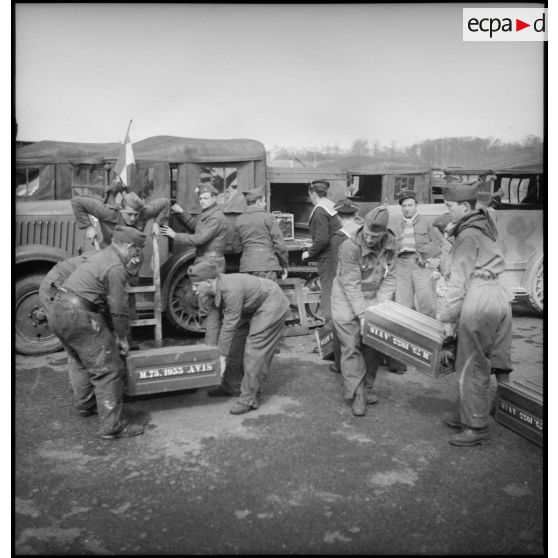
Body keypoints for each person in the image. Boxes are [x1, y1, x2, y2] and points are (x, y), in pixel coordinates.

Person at [48, 226, 147, 439]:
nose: (137, 255)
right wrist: (121, 338)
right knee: (109, 368)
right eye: (137, 250)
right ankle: (112, 426)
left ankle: (86, 405)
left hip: (58, 310)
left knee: (80, 360)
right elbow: (119, 309)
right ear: (129, 247)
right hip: (78, 314)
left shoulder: (102, 255)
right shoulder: (115, 267)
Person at [437, 182, 512, 447]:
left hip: (479, 296)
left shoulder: (467, 235)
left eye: (450, 207)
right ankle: (470, 412)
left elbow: (458, 281)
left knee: (471, 362)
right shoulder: (485, 223)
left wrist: (446, 318)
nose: (448, 212)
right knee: (494, 358)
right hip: (499, 292)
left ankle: (476, 425)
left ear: (465, 206)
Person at [187, 261, 290, 414]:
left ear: (208, 282)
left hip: (271, 303)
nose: (194, 290)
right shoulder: (208, 292)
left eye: (196, 285)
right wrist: (212, 355)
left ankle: (248, 398)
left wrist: (221, 357)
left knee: (255, 349)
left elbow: (229, 325)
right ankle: (231, 385)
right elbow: (213, 324)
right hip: (250, 306)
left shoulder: (231, 289)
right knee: (235, 344)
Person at [331, 206, 397, 417]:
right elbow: (350, 284)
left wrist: (378, 309)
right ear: (363, 227)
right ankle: (357, 394)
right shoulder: (348, 247)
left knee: (372, 344)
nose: (369, 239)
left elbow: (389, 279)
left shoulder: (391, 246)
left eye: (375, 236)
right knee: (350, 346)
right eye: (367, 234)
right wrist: (362, 316)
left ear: (384, 233)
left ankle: (366, 388)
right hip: (345, 298)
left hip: (372, 297)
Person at [72, 181, 169, 247]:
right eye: (129, 214)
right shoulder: (108, 213)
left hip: (132, 255)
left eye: (136, 215)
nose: (132, 218)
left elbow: (165, 203)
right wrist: (88, 227)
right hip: (109, 251)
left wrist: (157, 223)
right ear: (121, 209)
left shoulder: (144, 212)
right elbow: (76, 201)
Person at [392, 189, 441, 319]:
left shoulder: (426, 222)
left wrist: (426, 255)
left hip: (421, 265)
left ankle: (430, 333)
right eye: (404, 206)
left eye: (410, 205)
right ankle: (407, 333)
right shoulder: (397, 223)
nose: (407, 209)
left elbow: (438, 244)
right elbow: (390, 246)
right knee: (403, 303)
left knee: (427, 301)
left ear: (416, 205)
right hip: (401, 264)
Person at [327, 199, 361, 374]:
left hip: (345, 286)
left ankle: (340, 364)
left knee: (341, 324)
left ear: (339, 217)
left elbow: (337, 267)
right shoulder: (364, 233)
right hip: (364, 284)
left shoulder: (338, 238)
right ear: (355, 215)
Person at [162, 183, 227, 273]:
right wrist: (181, 212)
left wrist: (175, 235)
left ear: (214, 198)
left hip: (211, 263)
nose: (202, 201)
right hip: (205, 260)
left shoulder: (216, 217)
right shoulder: (207, 213)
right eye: (200, 198)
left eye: (206, 198)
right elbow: (197, 226)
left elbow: (200, 239)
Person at [301, 180, 341, 323]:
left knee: (328, 292)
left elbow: (322, 240)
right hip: (336, 254)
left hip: (328, 257)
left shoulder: (319, 210)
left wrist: (310, 252)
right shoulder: (331, 205)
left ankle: (330, 328)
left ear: (312, 194)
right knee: (336, 290)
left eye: (309, 195)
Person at [231, 186, 289, 281]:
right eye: (264, 201)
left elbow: (236, 248)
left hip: (247, 267)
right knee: (268, 295)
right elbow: (280, 246)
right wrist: (284, 265)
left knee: (251, 295)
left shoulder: (239, 219)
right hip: (267, 266)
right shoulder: (268, 217)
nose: (265, 204)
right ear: (258, 202)